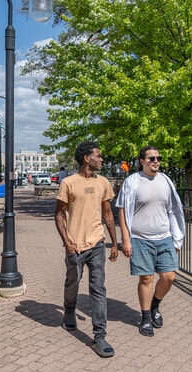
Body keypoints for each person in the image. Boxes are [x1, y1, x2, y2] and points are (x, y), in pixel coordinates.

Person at [55, 141, 119, 357]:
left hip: (97, 243)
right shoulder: (68, 183)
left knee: (98, 288)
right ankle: (69, 310)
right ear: (86, 158)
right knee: (72, 282)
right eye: (98, 156)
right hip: (75, 245)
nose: (101, 159)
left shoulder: (103, 182)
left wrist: (114, 243)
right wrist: (67, 242)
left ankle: (99, 336)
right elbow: (58, 214)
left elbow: (108, 215)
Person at [116, 146, 185, 337]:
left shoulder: (166, 181)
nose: (156, 161)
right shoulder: (132, 181)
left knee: (169, 276)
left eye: (158, 157)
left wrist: (176, 237)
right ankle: (146, 317)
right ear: (142, 161)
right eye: (151, 158)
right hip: (140, 239)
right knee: (146, 278)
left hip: (164, 237)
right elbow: (122, 210)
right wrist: (126, 240)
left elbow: (173, 209)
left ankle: (155, 304)